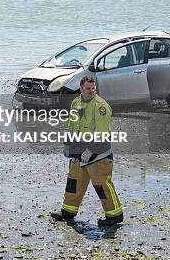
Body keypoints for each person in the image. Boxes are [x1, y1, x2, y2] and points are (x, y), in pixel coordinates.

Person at [50, 76, 123, 226]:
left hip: (98, 155)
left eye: (93, 88)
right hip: (79, 152)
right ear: (81, 88)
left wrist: (89, 152)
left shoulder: (101, 107)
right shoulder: (76, 102)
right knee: (73, 183)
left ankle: (115, 215)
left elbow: (101, 135)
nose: (91, 91)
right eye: (88, 88)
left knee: (102, 185)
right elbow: (72, 125)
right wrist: (68, 145)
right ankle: (68, 212)